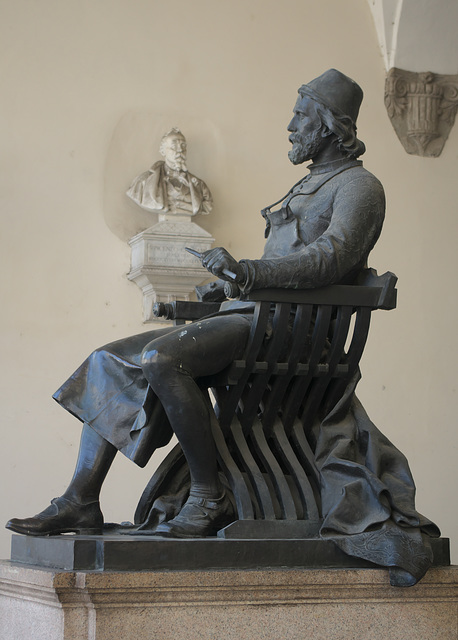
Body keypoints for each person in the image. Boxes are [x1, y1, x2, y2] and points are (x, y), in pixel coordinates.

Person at [7, 70, 438, 586]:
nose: (290, 126)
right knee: (107, 359)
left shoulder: (360, 187)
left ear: (328, 126)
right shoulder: (309, 183)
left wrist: (250, 273)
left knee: (164, 359)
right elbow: (292, 261)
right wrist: (232, 286)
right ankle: (80, 499)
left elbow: (331, 259)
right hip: (255, 315)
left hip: (294, 332)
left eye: (301, 116)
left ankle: (208, 496)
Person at [126, 128, 213, 217]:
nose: (180, 150)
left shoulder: (200, 186)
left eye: (183, 146)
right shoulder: (143, 182)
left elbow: (207, 205)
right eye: (174, 147)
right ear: (163, 151)